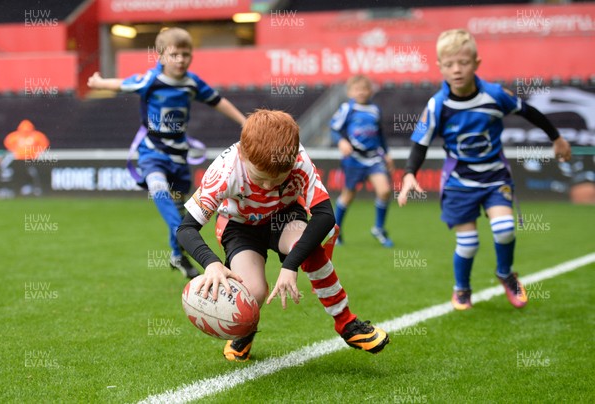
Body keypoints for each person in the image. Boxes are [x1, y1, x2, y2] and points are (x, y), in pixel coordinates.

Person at [177, 109, 390, 361]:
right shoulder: (224, 171)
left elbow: (324, 215)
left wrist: (290, 265)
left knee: (306, 245)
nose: (268, 187)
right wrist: (211, 265)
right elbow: (186, 228)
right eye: (260, 178)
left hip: (284, 216)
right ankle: (244, 331)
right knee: (253, 292)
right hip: (240, 225)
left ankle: (346, 324)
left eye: (278, 179)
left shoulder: (296, 157)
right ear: (244, 156)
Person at [397, 29, 572, 310]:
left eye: (463, 63)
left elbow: (528, 111)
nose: (457, 69)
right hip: (459, 182)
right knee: (468, 244)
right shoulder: (438, 105)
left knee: (504, 230)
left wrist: (557, 137)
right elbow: (420, 144)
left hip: (494, 177)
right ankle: (462, 288)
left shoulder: (494, 95)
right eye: (450, 64)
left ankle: (506, 274)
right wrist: (408, 174)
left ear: (476, 63)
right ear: (440, 67)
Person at [87, 27, 246, 279]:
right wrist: (98, 83)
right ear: (161, 56)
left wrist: (244, 121)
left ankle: (177, 254)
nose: (181, 59)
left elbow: (218, 101)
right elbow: (121, 84)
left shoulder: (192, 83)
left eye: (186, 54)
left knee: (179, 205)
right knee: (161, 193)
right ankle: (189, 240)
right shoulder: (150, 80)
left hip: (179, 157)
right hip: (151, 153)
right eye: (174, 54)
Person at [329, 74, 395, 247]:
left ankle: (378, 229)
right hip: (354, 159)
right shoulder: (347, 109)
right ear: (350, 92)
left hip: (373, 157)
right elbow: (334, 129)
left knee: (385, 191)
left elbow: (380, 135)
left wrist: (386, 154)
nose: (361, 92)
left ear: (371, 91)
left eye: (365, 89)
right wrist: (341, 141)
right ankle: (336, 230)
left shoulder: (375, 110)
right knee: (348, 196)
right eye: (357, 89)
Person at [1, 119, 50, 196]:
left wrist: (36, 152)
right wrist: (16, 151)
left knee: (32, 172)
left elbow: (44, 145)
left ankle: (35, 188)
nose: (26, 131)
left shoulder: (36, 135)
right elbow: (8, 143)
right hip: (17, 159)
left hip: (31, 158)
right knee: (9, 164)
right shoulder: (15, 136)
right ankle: (6, 175)